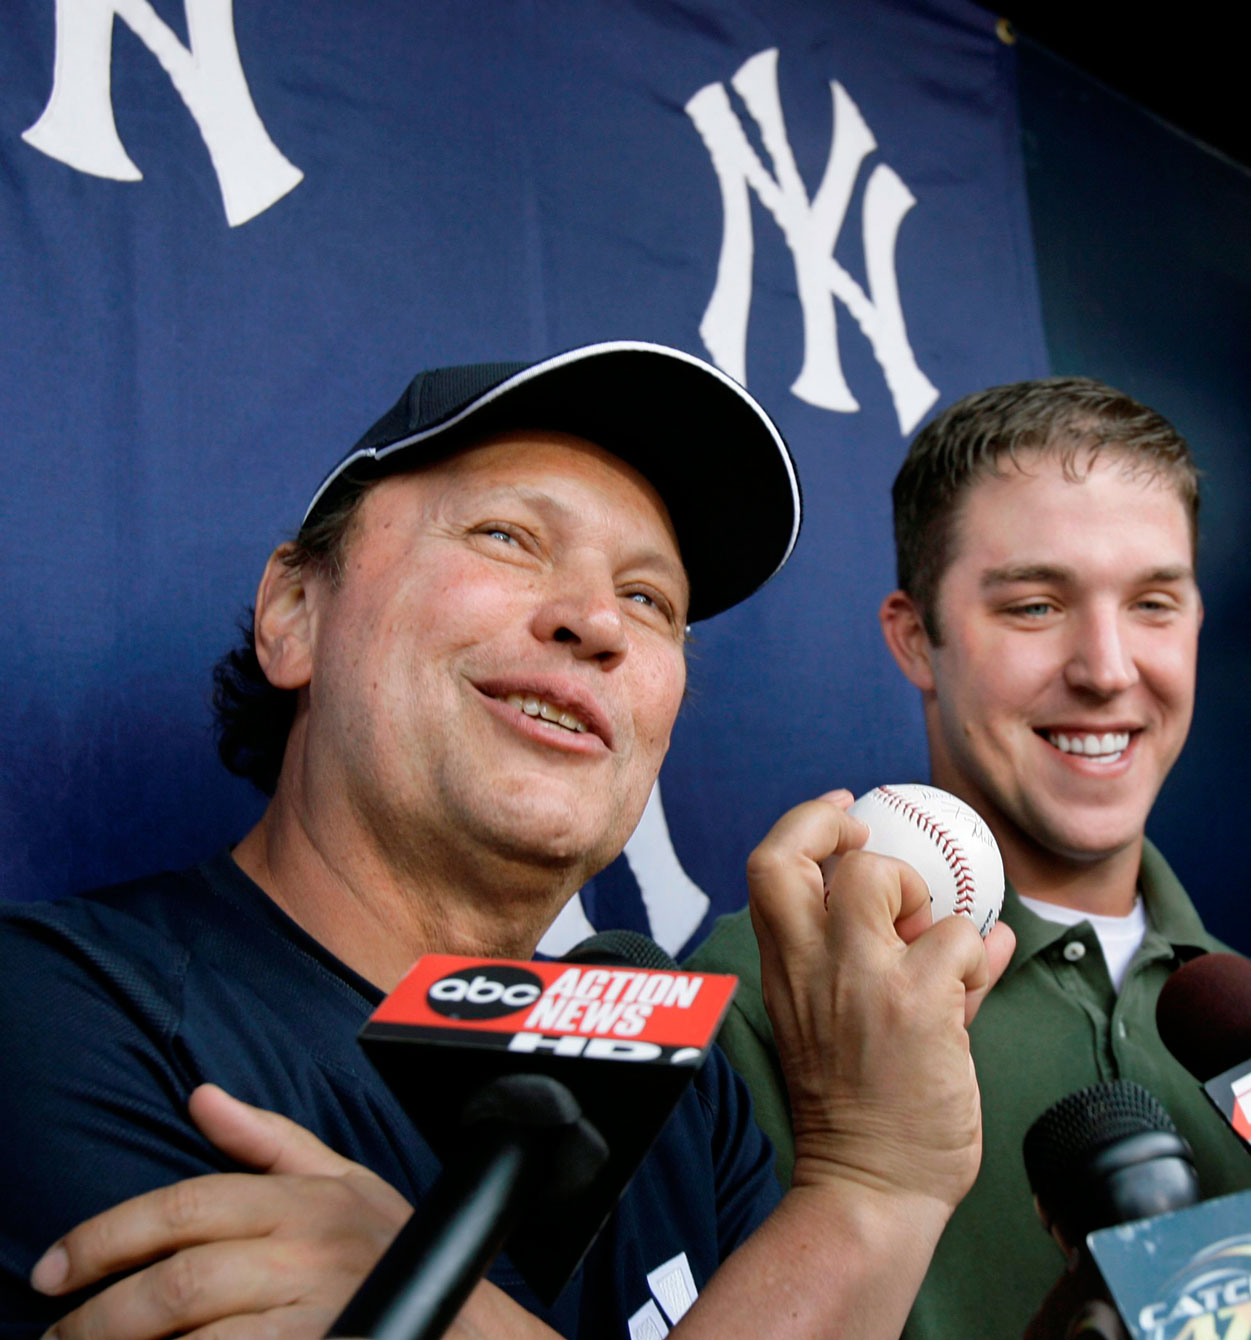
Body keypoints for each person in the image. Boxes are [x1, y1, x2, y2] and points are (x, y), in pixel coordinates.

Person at [0, 341, 1012, 1340]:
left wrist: (877, 1172)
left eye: (650, 599)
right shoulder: (60, 1008)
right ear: (296, 612)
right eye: (508, 537)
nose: (596, 620)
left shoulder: (685, 1092)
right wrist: (870, 1190)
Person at [688, 376, 1251, 1339]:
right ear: (915, 639)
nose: (1107, 667)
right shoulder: (764, 988)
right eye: (1035, 607)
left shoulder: (1231, 1014)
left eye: (1154, 602)